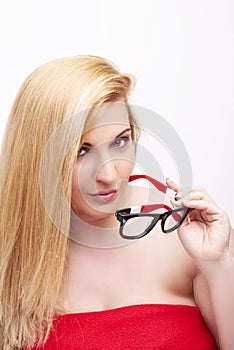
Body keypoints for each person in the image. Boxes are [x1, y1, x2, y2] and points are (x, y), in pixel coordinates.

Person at [0, 55, 233, 350]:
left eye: (120, 141)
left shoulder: (191, 238)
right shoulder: (12, 261)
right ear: (36, 158)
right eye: (81, 152)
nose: (109, 175)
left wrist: (218, 266)